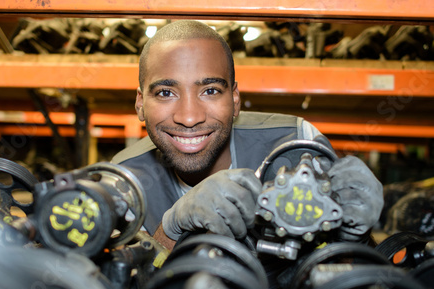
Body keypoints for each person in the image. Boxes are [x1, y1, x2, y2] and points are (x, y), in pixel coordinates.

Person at [111, 20, 383, 250]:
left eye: (210, 90)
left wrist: (350, 238)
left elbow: (347, 281)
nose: (189, 117)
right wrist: (170, 229)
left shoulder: (295, 146)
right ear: (140, 103)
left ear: (236, 99)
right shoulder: (123, 183)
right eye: (165, 93)